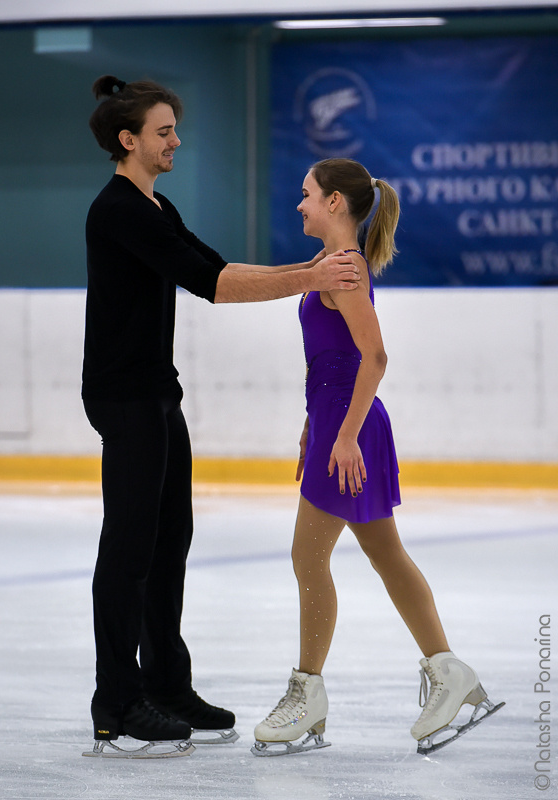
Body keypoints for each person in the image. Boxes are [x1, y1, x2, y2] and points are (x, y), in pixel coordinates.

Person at [81, 76, 360, 758]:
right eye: (163, 131)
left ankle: (167, 686)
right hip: (123, 394)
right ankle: (116, 701)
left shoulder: (156, 205)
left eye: (175, 128)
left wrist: (311, 265)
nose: (176, 140)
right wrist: (311, 278)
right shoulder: (118, 209)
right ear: (129, 140)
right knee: (130, 547)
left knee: (170, 539)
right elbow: (212, 286)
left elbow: (214, 262)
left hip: (156, 391)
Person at [251, 158, 504, 757]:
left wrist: (342, 437)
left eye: (307, 194)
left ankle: (306, 693)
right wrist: (316, 429)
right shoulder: (325, 264)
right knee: (385, 553)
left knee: (308, 558)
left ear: (336, 202)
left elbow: (375, 357)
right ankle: (449, 672)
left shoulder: (344, 270)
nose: (300, 204)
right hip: (340, 425)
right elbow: (328, 360)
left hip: (352, 429)